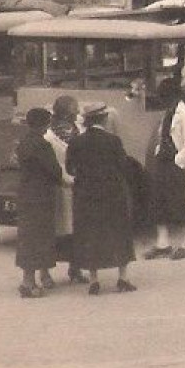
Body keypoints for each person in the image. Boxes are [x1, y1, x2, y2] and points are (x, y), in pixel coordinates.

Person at [67, 102, 137, 295]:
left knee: (90, 234)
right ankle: (122, 278)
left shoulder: (76, 142)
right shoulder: (113, 141)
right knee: (119, 232)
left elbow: (69, 168)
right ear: (104, 119)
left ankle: (94, 280)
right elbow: (123, 166)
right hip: (112, 194)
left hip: (86, 195)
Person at [144, 78, 185, 260]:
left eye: (165, 97)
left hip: (177, 163)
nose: (162, 101)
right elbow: (163, 136)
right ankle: (163, 243)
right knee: (159, 201)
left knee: (183, 202)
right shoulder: (168, 114)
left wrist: (178, 162)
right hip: (163, 161)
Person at [14, 107, 63, 298]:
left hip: (26, 194)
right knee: (40, 237)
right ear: (45, 124)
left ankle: (41, 276)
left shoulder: (23, 143)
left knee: (28, 236)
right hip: (41, 196)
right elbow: (54, 171)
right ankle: (28, 282)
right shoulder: (42, 145)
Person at [44, 95, 88, 286]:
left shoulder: (78, 128)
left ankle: (75, 268)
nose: (77, 112)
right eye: (74, 109)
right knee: (54, 231)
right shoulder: (49, 136)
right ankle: (45, 273)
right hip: (59, 188)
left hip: (77, 186)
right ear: (65, 112)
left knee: (76, 229)